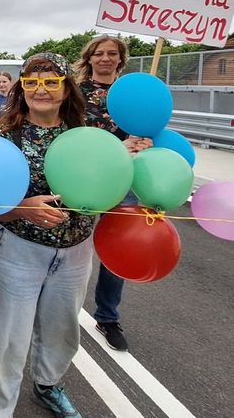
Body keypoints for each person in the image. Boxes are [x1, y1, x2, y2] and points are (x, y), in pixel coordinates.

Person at [0, 52, 92, 418]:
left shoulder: (84, 134)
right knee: (7, 341)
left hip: (75, 251)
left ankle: (47, 386)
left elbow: (105, 180)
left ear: (66, 88)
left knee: (62, 333)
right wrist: (22, 207)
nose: (40, 89)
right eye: (31, 82)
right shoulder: (5, 135)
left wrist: (133, 155)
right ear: (21, 87)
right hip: (17, 249)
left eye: (50, 81)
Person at [73, 35, 152, 353]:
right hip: (84, 177)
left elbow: (150, 130)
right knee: (74, 247)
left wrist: (145, 142)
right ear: (89, 59)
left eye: (112, 54)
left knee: (115, 251)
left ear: (121, 59)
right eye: (99, 54)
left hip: (123, 181)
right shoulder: (76, 95)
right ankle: (63, 308)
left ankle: (107, 317)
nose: (105, 58)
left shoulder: (134, 94)